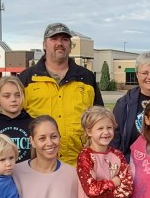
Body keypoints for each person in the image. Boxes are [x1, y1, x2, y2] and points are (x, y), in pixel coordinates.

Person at [18, 23, 104, 166]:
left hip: (80, 165)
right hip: (39, 166)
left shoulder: (86, 78)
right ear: (44, 44)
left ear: (70, 46)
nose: (59, 43)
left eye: (65, 39)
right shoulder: (27, 78)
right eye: (54, 39)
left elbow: (98, 120)